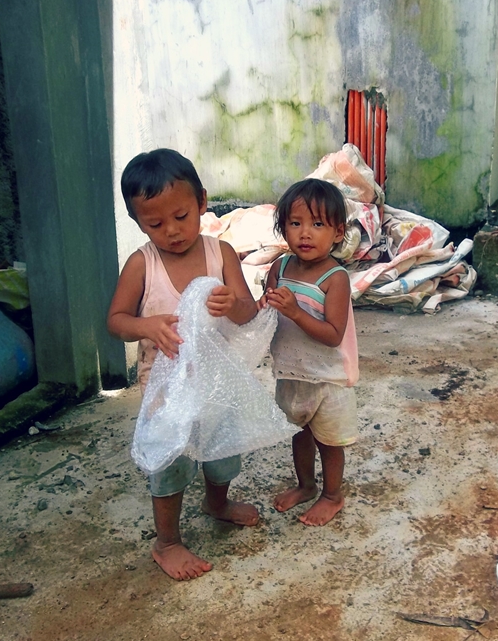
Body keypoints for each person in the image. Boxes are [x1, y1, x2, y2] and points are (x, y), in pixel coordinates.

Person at [107, 148, 259, 580]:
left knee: (221, 451)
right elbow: (116, 321)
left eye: (181, 216)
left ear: (202, 202)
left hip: (216, 384)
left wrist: (233, 303)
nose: (172, 231)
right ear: (138, 223)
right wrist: (146, 326)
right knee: (170, 462)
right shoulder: (143, 264)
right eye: (155, 224)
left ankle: (217, 502)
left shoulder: (221, 254)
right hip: (166, 392)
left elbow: (247, 312)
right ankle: (167, 541)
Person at [261, 178, 359, 526]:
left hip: (327, 379)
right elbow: (268, 305)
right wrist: (264, 303)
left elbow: (333, 335)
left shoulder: (335, 278)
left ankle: (332, 495)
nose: (305, 233)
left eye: (317, 224)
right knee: (298, 434)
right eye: (296, 223)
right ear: (283, 226)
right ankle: (305, 485)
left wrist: (295, 312)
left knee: (329, 442)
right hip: (291, 373)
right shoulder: (281, 268)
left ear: (337, 232)